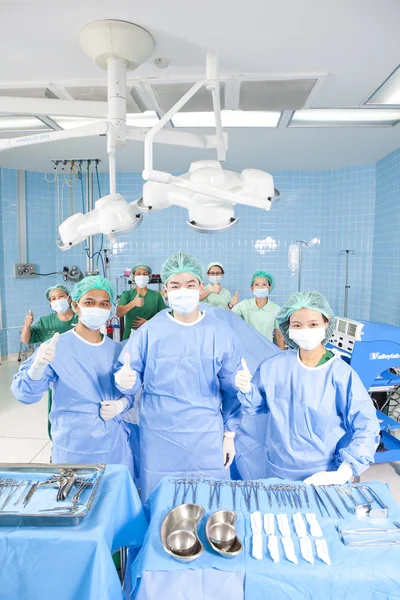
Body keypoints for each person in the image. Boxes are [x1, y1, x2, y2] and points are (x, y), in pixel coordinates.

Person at [114, 251, 244, 503]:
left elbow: (231, 389)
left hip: (205, 433)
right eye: (175, 285)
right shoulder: (150, 331)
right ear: (165, 291)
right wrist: (125, 380)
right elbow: (129, 375)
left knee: (210, 502)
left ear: (201, 287)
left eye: (190, 284)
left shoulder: (220, 332)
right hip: (159, 433)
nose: (182, 290)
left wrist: (229, 434)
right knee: (161, 500)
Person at [235, 291, 380, 484]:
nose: (305, 330)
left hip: (324, 472)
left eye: (313, 324)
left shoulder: (340, 374)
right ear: (288, 328)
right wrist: (247, 390)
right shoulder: (275, 366)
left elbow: (367, 426)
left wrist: (344, 472)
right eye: (297, 325)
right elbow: (258, 405)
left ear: (326, 323)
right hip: (278, 469)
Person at [11, 276, 134, 475]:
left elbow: (131, 396)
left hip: (113, 445)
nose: (97, 308)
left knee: (114, 499)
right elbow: (24, 395)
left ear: (110, 308)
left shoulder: (116, 350)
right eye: (89, 302)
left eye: (104, 304)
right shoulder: (56, 346)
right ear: (75, 306)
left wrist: (122, 404)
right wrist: (36, 368)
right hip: (74, 447)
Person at [20, 284, 78, 439]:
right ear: (50, 304)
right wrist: (27, 324)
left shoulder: (81, 318)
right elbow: (26, 339)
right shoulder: (46, 322)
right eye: (53, 299)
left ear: (69, 298)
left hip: (80, 370)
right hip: (57, 374)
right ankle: (57, 442)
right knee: (57, 407)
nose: (57, 300)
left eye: (60, 296)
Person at [232, 270, 285, 349]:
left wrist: (282, 357)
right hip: (248, 350)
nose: (260, 287)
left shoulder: (276, 309)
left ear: (269, 287)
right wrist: (231, 305)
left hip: (267, 350)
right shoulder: (244, 305)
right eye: (257, 284)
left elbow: (279, 335)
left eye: (264, 284)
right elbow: (227, 316)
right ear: (252, 288)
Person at [117, 263, 166, 340]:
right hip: (130, 337)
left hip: (151, 335)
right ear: (133, 276)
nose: (142, 276)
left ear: (149, 277)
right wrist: (133, 303)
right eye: (138, 274)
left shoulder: (156, 296)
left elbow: (164, 316)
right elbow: (119, 313)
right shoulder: (127, 294)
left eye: (144, 274)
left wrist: (148, 322)